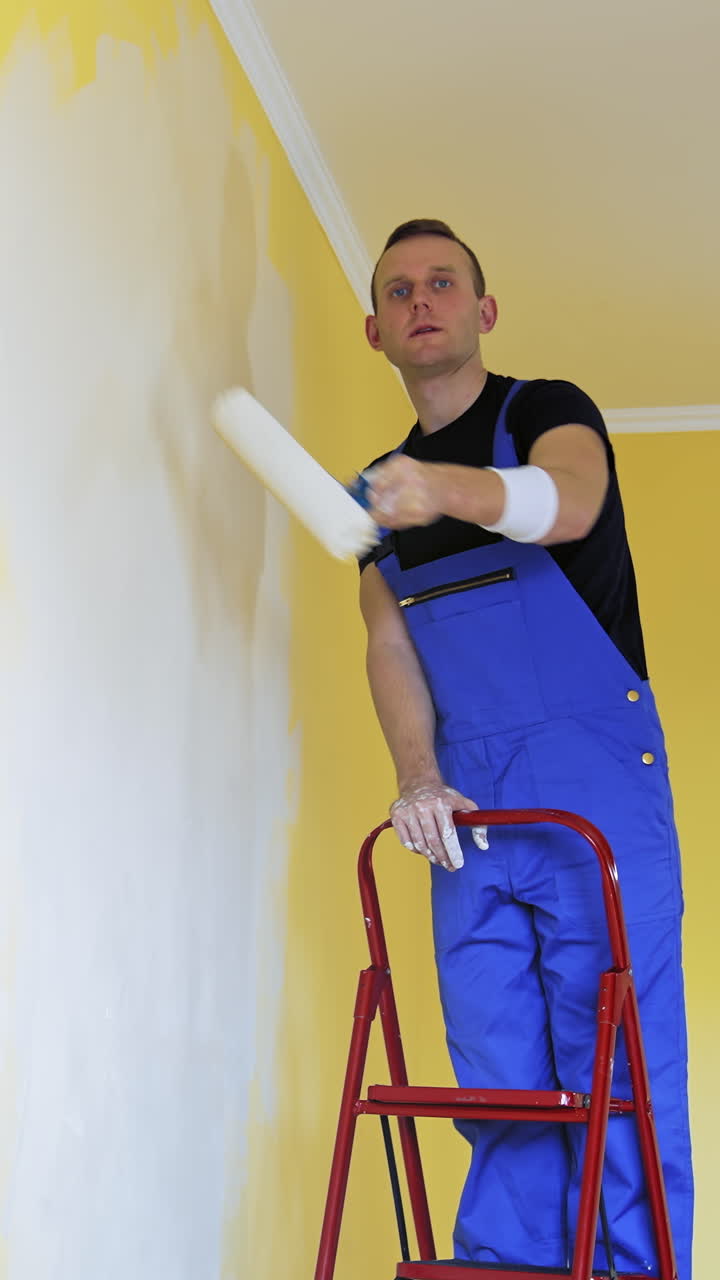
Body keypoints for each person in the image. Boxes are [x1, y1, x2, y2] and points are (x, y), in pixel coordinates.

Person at [358, 218, 693, 1276]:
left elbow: (571, 500)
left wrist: (442, 489)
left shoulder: (545, 411)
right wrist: (417, 776)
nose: (424, 297)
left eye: (445, 280)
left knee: (621, 1068)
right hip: (471, 807)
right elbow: (388, 640)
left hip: (592, 786)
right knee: (498, 1074)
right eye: (401, 287)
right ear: (374, 330)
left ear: (483, 311)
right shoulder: (377, 487)